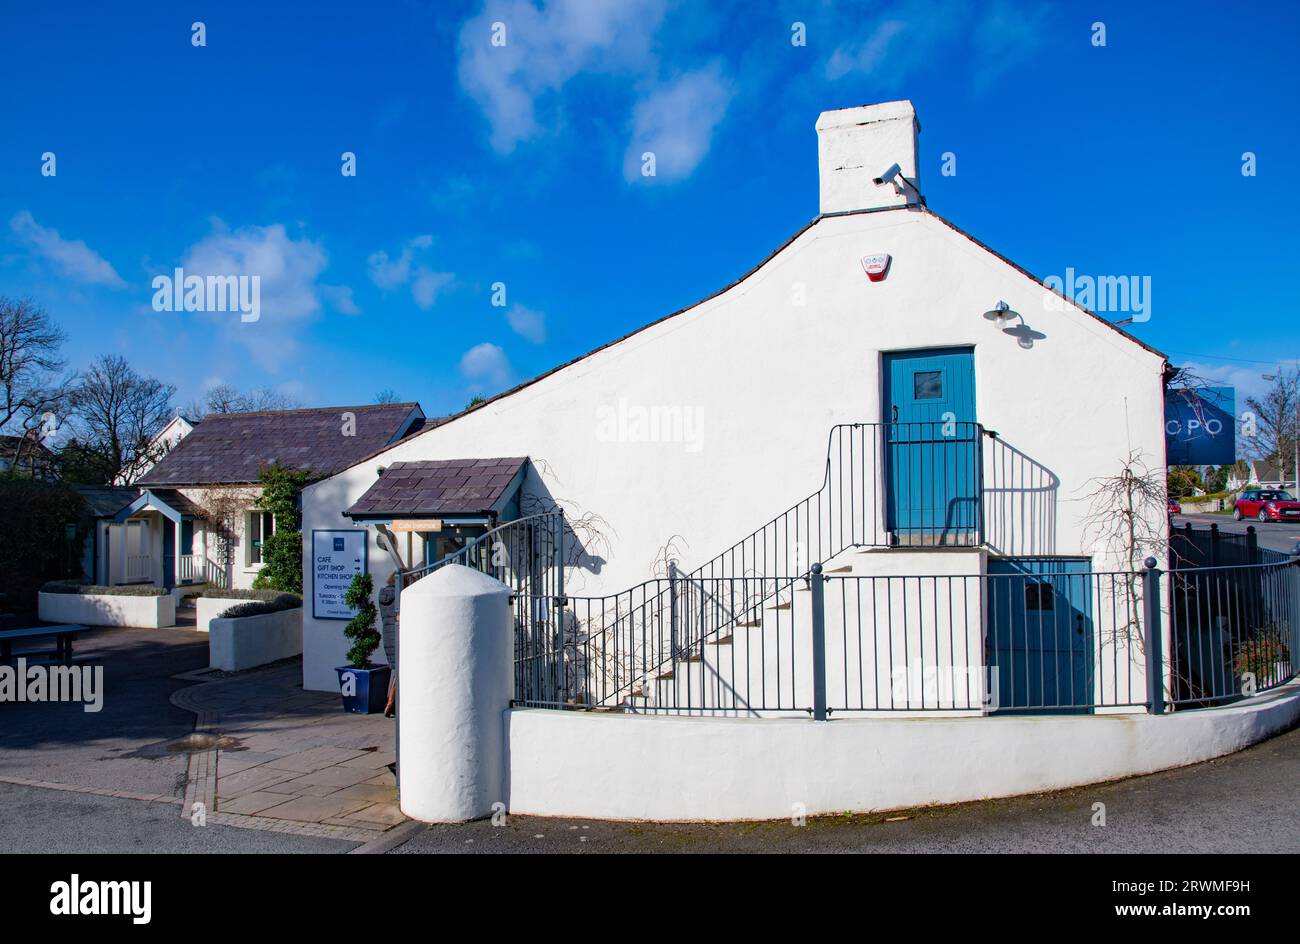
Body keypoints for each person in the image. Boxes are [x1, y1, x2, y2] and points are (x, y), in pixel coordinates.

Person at [377, 571, 400, 718]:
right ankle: (391, 703)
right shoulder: (400, 596)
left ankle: (390, 702)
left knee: (396, 670)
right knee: (400, 671)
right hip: (398, 636)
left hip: (388, 635)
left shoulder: (383, 595)